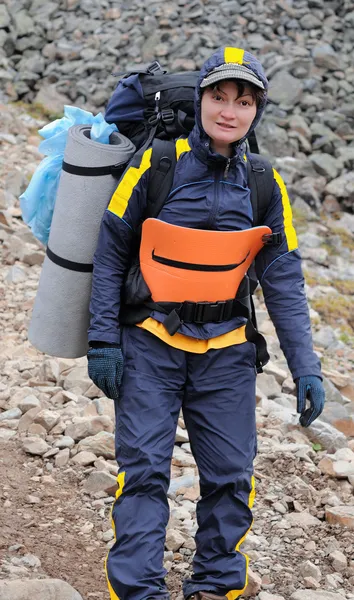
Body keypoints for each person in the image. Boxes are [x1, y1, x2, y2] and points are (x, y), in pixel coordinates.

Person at [87, 47, 325, 600]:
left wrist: (307, 368)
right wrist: (103, 339)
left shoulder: (265, 182)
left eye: (244, 101)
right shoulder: (158, 163)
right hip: (150, 341)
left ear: (256, 112)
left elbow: (284, 280)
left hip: (228, 349)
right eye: (219, 96)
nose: (229, 110)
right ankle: (140, 590)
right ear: (199, 101)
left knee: (232, 477)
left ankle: (216, 585)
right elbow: (110, 253)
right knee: (144, 471)